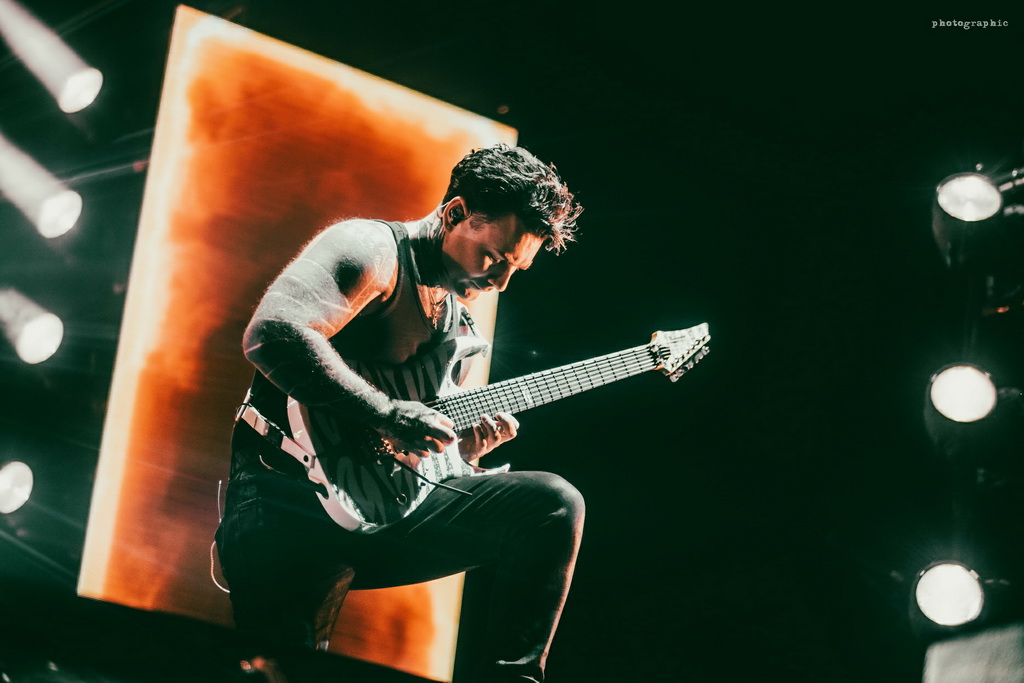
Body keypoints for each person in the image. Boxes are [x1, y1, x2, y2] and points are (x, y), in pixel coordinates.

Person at [215, 144, 585, 683]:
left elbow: (400, 445)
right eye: (494, 258)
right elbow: (273, 333)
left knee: (551, 505)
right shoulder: (370, 248)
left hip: (381, 511)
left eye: (516, 269)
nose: (501, 282)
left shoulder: (457, 321)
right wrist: (387, 413)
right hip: (285, 506)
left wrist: (459, 453)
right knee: (283, 672)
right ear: (456, 213)